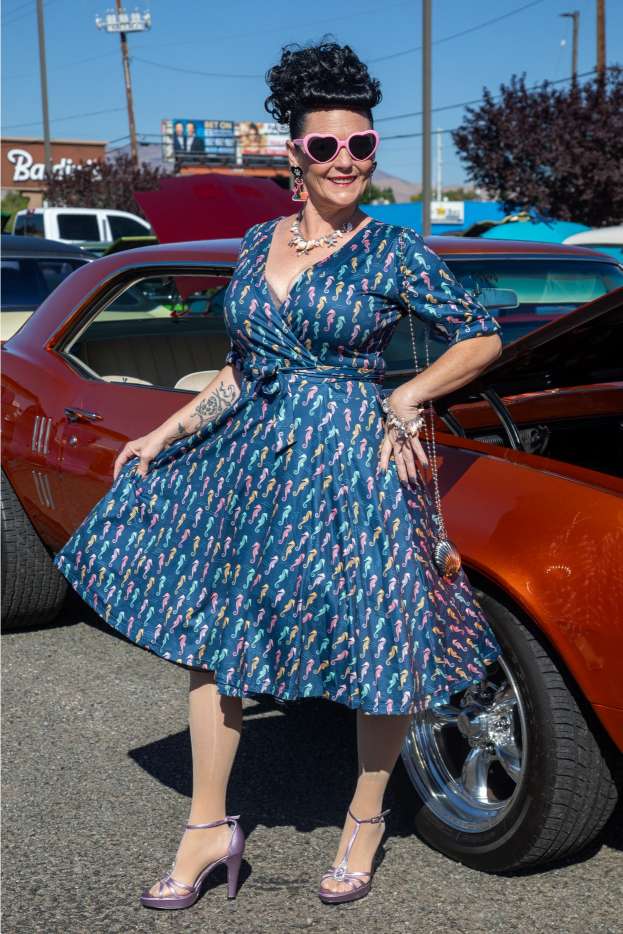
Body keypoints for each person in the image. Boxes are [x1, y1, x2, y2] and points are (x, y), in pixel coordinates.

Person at [53, 39, 504, 910]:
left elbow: (480, 333)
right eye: (327, 146)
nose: (346, 161)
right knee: (216, 642)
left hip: (354, 465)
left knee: (379, 642)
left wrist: (407, 395)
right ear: (292, 152)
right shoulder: (258, 241)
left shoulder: (392, 253)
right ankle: (208, 826)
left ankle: (365, 818)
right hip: (253, 468)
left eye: (362, 145)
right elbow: (239, 365)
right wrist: (167, 430)